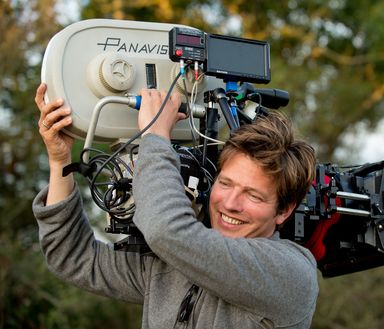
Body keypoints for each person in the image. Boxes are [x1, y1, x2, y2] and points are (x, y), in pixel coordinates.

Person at [33, 83, 319, 329]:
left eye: (253, 196)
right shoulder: (175, 262)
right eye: (226, 184)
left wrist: (155, 136)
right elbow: (74, 257)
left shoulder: (291, 273)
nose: (230, 204)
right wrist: (60, 161)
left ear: (284, 210)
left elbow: (165, 230)